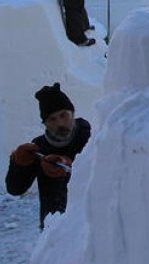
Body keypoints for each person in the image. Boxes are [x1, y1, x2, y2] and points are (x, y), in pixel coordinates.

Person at [6, 83, 92, 228]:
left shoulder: (90, 137)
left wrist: (68, 166)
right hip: (53, 229)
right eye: (52, 119)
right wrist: (18, 164)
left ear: (72, 113)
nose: (60, 123)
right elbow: (15, 189)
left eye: (64, 115)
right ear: (45, 123)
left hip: (88, 222)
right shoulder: (40, 147)